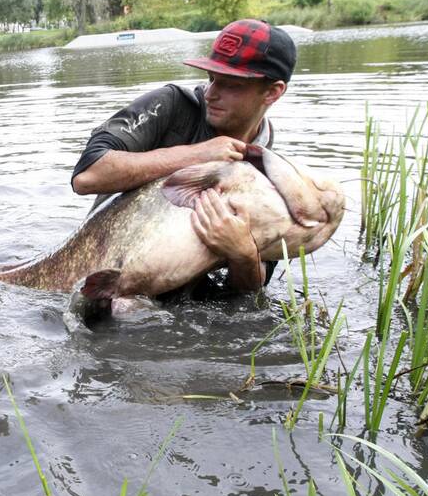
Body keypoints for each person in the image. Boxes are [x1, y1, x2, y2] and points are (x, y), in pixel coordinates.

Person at [71, 19, 297, 294]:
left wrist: (243, 253)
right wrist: (197, 154)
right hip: (100, 274)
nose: (211, 93)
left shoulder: (268, 172)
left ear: (273, 92)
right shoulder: (171, 105)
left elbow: (250, 291)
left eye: (231, 85)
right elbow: (87, 176)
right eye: (212, 78)